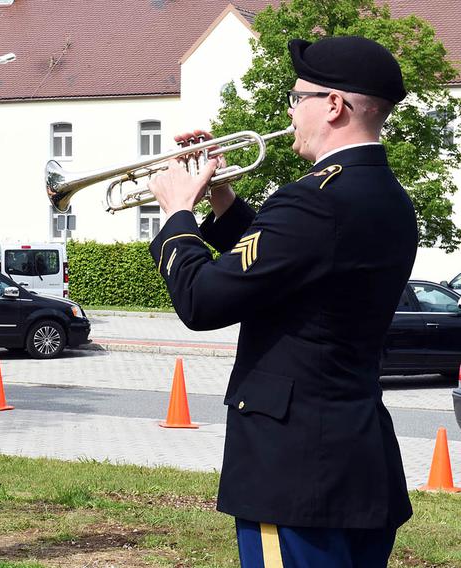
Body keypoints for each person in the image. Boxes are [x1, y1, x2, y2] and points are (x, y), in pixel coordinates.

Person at [147, 36, 415, 567]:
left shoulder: (314, 199)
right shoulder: (383, 195)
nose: (290, 112)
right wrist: (220, 194)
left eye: (297, 99)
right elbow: (290, 262)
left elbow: (202, 302)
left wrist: (178, 214)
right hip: (353, 464)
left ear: (333, 105)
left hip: (295, 471)